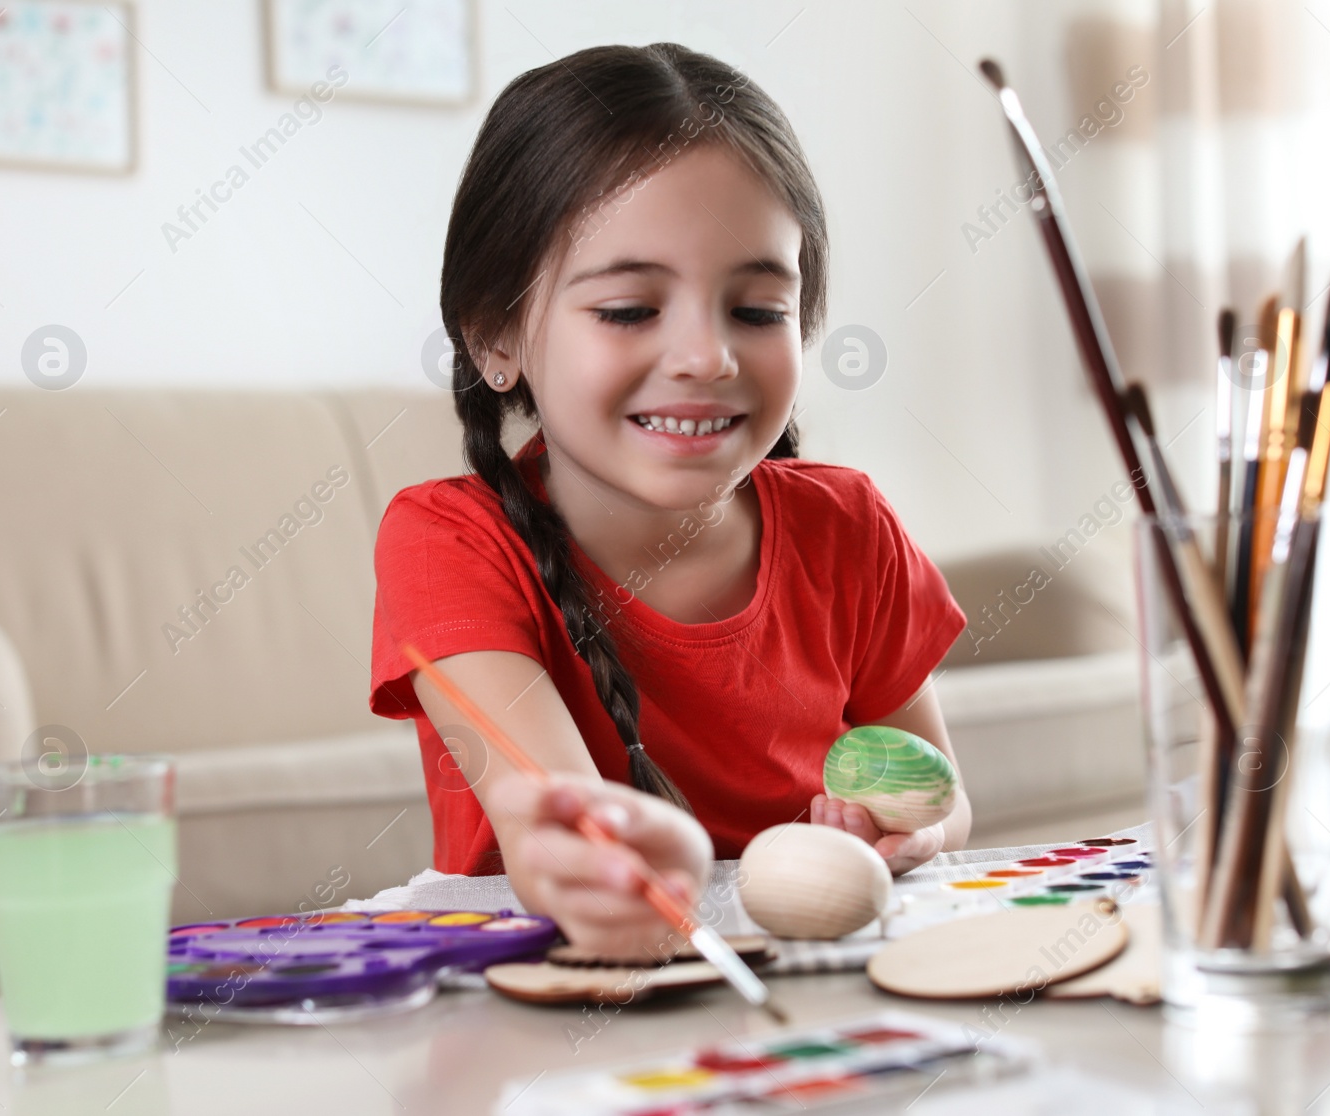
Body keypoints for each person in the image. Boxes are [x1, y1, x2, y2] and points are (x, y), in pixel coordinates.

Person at [371, 43, 969, 960]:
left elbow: (941, 795)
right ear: (496, 336)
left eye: (758, 312)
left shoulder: (848, 526)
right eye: (628, 310)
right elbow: (553, 831)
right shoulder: (450, 540)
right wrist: (652, 866)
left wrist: (909, 834)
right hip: (554, 1000)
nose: (708, 358)